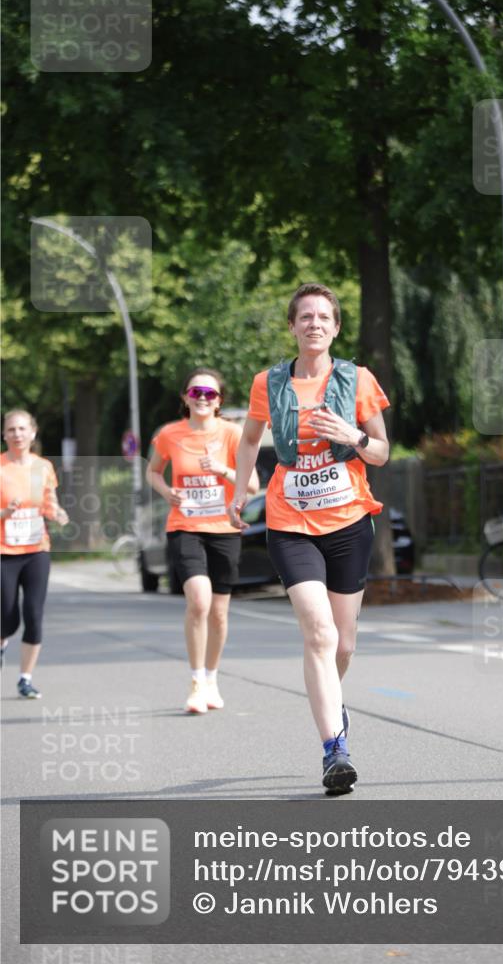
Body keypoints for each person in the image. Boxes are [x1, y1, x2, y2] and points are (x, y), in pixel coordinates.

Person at [230, 283, 390, 794]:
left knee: (343, 643)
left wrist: (355, 438)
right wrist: (239, 491)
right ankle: (334, 750)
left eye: (324, 317)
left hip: (348, 522)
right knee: (318, 635)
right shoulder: (269, 383)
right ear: (294, 326)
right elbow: (251, 438)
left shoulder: (358, 380)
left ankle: (332, 703)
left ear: (336, 327)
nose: (314, 324)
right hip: (290, 521)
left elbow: (383, 452)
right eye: (305, 317)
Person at [147, 367, 259, 714]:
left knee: (220, 614)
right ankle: (196, 682)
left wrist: (222, 470)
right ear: (185, 397)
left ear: (219, 401)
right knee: (199, 601)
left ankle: (211, 678)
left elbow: (252, 483)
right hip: (185, 525)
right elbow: (152, 470)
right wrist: (166, 492)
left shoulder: (231, 434)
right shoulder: (169, 434)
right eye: (196, 392)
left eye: (209, 394)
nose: (202, 399)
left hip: (224, 529)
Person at [1, 409, 69, 697]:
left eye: (22, 429)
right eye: (11, 429)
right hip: (4, 551)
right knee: (7, 616)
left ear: (33, 432)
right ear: (4, 434)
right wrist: (5, 512)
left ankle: (25, 679)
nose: (17, 434)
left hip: (36, 550)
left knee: (34, 613)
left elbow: (48, 504)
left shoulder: (43, 468)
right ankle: (4, 642)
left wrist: (58, 513)